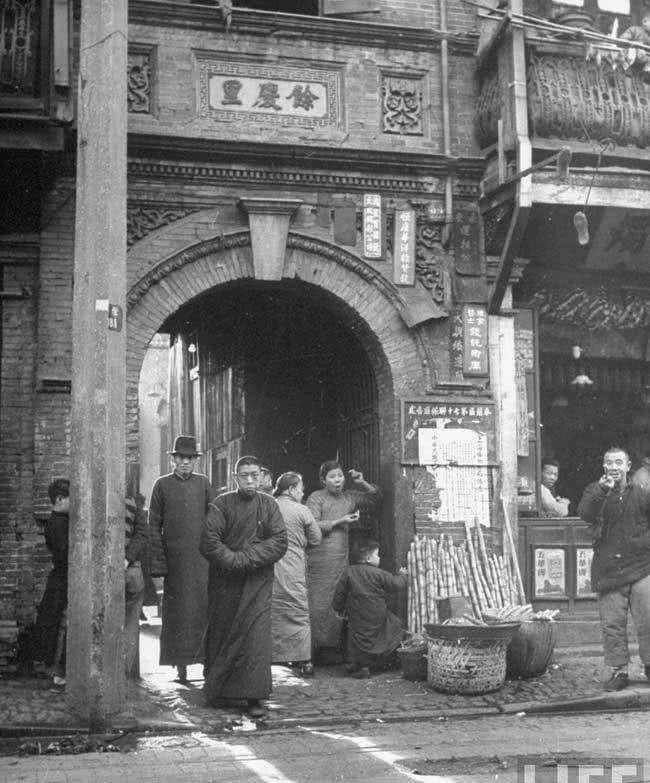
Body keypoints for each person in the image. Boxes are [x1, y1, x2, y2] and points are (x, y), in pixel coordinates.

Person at [199, 455, 288, 717]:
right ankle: (221, 691)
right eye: (244, 475)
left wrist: (246, 558)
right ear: (234, 478)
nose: (250, 479)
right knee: (223, 633)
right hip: (226, 583)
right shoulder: (221, 504)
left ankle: (255, 696)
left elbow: (279, 541)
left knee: (255, 638)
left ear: (261, 477)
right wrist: (233, 561)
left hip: (258, 583)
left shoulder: (269, 505)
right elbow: (209, 541)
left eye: (254, 474)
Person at [577, 446, 650, 691]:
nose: (614, 467)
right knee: (612, 624)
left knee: (648, 620)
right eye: (610, 463)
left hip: (642, 566)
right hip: (609, 570)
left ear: (628, 466)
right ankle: (619, 671)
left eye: (619, 462)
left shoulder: (642, 492)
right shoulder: (595, 490)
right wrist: (602, 490)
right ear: (604, 466)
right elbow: (585, 513)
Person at [148, 435, 213, 683]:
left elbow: (214, 520)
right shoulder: (162, 485)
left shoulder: (204, 484)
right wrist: (159, 563)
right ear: (173, 459)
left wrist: (213, 554)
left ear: (195, 461)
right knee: (178, 612)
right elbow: (153, 525)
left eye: (190, 458)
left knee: (203, 609)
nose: (185, 462)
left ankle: (206, 662)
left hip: (201, 560)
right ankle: (181, 663)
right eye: (181, 458)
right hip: (175, 562)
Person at [306, 460, 380, 664]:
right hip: (318, 559)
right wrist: (341, 521)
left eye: (340, 476)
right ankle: (313, 651)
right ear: (323, 480)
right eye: (332, 477)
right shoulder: (316, 498)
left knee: (337, 601)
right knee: (318, 604)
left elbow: (375, 499)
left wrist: (362, 482)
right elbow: (311, 525)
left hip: (340, 558)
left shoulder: (349, 496)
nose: (337, 480)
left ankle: (332, 649)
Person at [332, 539, 407, 678]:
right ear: (368, 558)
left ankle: (360, 666)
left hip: (357, 616)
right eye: (377, 555)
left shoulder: (348, 572)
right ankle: (387, 661)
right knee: (395, 626)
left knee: (354, 638)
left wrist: (338, 609)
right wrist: (402, 575)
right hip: (377, 615)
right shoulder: (378, 573)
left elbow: (339, 594)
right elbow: (396, 585)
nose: (379, 558)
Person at [271, 472, 322, 676]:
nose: (302, 493)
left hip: (269, 565)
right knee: (298, 609)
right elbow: (316, 539)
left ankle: (270, 655)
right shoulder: (301, 510)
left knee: (272, 609)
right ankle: (304, 660)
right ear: (291, 490)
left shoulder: (268, 505)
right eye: (301, 489)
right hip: (293, 565)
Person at [21, 479, 70, 684]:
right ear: (59, 499)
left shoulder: (60, 521)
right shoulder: (57, 523)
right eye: (71, 499)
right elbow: (64, 554)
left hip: (61, 577)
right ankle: (57, 671)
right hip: (62, 578)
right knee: (58, 624)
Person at [124, 495, 149, 679]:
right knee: (130, 624)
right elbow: (141, 534)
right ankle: (123, 674)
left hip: (126, 570)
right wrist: (127, 559)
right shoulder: (134, 503)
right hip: (131, 569)